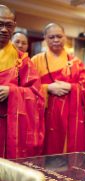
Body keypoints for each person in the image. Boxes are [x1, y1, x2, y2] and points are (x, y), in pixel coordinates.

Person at [31, 23, 85, 155]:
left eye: (59, 36)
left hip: (71, 116)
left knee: (69, 151)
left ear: (65, 37)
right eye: (51, 37)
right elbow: (28, 89)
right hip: (46, 116)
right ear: (45, 38)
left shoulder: (76, 62)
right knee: (48, 153)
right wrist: (48, 88)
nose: (56, 40)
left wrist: (71, 87)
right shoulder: (36, 60)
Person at [0, 5, 44, 158]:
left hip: (9, 127)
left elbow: (37, 95)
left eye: (9, 25)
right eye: (0, 24)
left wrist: (12, 92)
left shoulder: (23, 61)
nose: (4, 29)